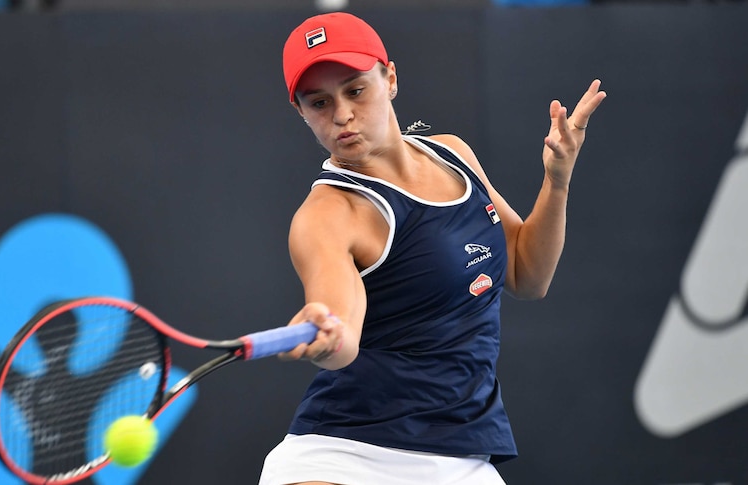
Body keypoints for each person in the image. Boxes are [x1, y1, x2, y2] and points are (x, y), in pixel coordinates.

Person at [259, 12, 606, 485]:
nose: (341, 114)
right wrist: (326, 333)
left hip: (463, 456)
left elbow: (528, 275)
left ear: (391, 78)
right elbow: (341, 332)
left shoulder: (454, 154)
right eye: (319, 102)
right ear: (301, 112)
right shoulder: (326, 215)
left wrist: (557, 181)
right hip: (346, 455)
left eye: (355, 90)